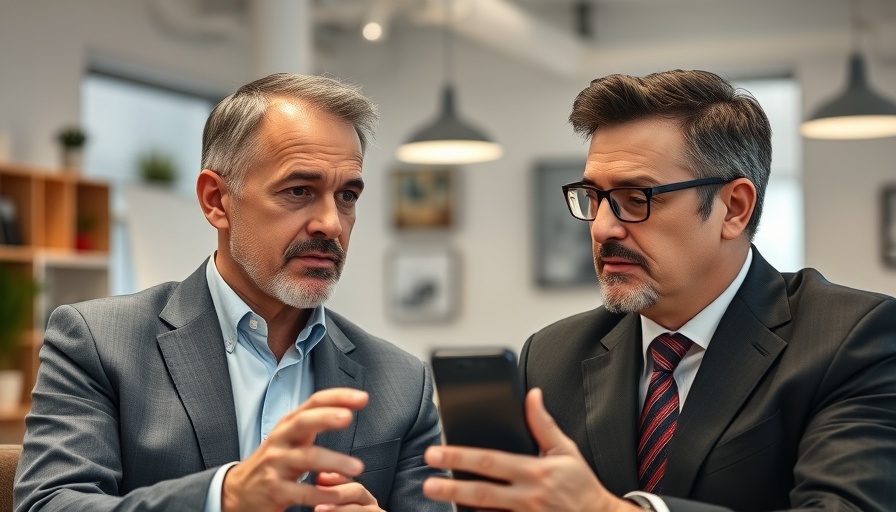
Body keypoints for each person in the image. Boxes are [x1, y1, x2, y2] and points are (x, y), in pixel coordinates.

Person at [422, 69, 896, 511]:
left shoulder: (852, 339)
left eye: (637, 199)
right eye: (594, 198)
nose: (604, 227)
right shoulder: (551, 355)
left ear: (734, 208)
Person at [15, 73, 450, 512]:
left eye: (347, 196)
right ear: (216, 200)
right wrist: (223, 497)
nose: (331, 223)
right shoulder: (98, 342)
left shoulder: (402, 382)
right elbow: (50, 504)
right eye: (299, 190)